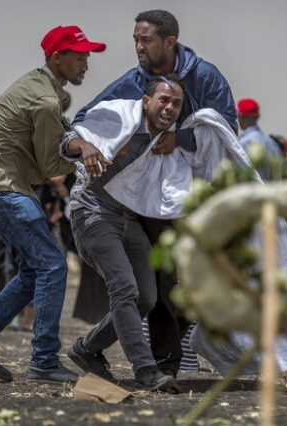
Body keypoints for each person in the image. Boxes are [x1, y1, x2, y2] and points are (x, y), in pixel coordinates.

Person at [72, 9, 237, 378]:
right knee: (158, 280)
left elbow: (228, 127)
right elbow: (85, 117)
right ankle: (163, 363)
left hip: (196, 193)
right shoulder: (133, 82)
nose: (138, 46)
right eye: (135, 39)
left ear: (169, 42)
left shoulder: (204, 77)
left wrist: (181, 138)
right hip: (147, 198)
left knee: (197, 276)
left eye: (145, 40)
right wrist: (91, 146)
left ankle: (188, 350)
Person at [0, 25, 107, 384]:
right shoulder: (45, 100)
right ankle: (44, 360)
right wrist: (85, 154)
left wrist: (77, 146)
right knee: (53, 266)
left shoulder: (46, 89)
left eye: (87, 56)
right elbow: (50, 168)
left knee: (36, 269)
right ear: (56, 58)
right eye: (79, 56)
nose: (86, 64)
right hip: (0, 186)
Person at [65, 77, 186, 392]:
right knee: (125, 289)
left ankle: (87, 349)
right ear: (146, 101)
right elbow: (66, 141)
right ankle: (145, 370)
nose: (170, 107)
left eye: (176, 103)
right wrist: (87, 147)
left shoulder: (168, 142)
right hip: (92, 214)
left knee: (146, 298)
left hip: (128, 219)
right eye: (164, 100)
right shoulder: (119, 118)